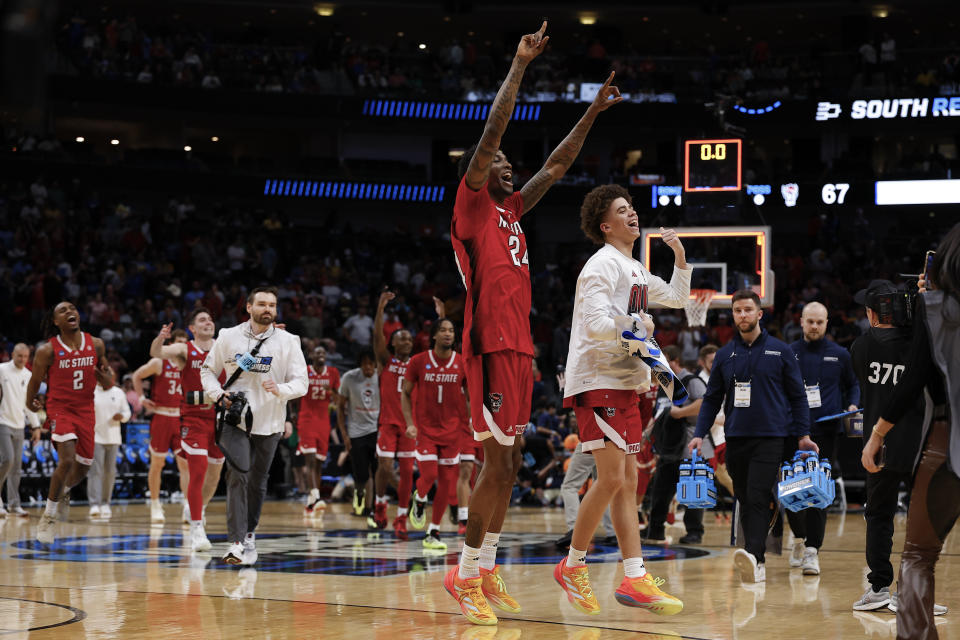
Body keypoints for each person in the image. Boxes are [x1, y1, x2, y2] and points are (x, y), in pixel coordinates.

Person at [446, 20, 623, 626]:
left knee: (514, 462)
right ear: (479, 167)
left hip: (519, 346)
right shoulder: (472, 204)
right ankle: (464, 573)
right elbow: (493, 133)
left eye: (508, 165)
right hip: (488, 344)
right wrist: (519, 65)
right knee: (495, 465)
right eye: (498, 162)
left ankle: (488, 566)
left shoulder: (514, 211)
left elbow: (556, 163)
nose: (508, 167)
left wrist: (593, 112)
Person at [555, 183, 688, 616]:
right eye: (621, 210)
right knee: (612, 480)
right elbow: (594, 324)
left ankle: (634, 578)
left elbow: (680, 298)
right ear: (605, 224)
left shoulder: (635, 268)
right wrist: (637, 326)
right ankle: (573, 565)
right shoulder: (601, 266)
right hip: (599, 380)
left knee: (627, 483)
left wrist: (680, 258)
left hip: (625, 382)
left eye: (632, 208)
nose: (632, 214)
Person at [863, 223, 960, 636]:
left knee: (918, 556)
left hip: (946, 437)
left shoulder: (934, 307)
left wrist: (877, 434)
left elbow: (915, 377)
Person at [689, 289, 819, 584]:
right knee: (745, 498)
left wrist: (803, 435)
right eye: (738, 311)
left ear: (760, 314)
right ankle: (755, 556)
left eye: (748, 310)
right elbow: (711, 399)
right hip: (735, 438)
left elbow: (798, 397)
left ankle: (755, 557)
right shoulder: (724, 355)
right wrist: (699, 434)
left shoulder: (781, 351)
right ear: (733, 315)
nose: (743, 315)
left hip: (772, 437)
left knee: (759, 494)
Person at [850, 280, 944, 616]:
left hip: (877, 448)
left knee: (878, 517)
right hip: (919, 444)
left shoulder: (860, 347)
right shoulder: (921, 346)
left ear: (874, 314)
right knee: (922, 520)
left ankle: (878, 588)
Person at [201, 286, 308, 566]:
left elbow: (302, 383)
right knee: (238, 475)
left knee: (258, 483)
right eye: (261, 304)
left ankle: (249, 534)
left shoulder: (289, 341)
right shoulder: (227, 336)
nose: (267, 309)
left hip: (270, 422)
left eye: (271, 305)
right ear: (248, 307)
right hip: (234, 420)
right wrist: (216, 394)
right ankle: (235, 544)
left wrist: (281, 389)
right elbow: (207, 370)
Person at [26, 301, 112, 544]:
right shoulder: (47, 351)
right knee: (66, 459)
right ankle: (48, 517)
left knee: (83, 467)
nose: (69, 312)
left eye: (72, 308)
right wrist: (29, 401)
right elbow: (34, 381)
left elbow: (108, 381)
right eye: (62, 311)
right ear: (56, 322)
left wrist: (106, 378)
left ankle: (62, 490)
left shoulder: (96, 344)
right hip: (60, 409)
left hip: (86, 409)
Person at [786, 301, 860, 575]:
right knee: (792, 491)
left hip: (827, 433)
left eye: (820, 322)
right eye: (810, 321)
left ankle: (812, 550)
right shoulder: (787, 353)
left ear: (826, 323)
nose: (815, 326)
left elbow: (854, 385)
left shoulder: (841, 354)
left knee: (818, 492)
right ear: (802, 321)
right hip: (792, 431)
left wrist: (852, 405)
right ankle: (798, 538)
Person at [149, 308, 223, 551]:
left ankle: (197, 509)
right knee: (198, 470)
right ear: (192, 328)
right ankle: (197, 527)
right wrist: (161, 337)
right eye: (202, 319)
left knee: (214, 476)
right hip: (193, 419)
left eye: (210, 319)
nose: (208, 322)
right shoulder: (185, 350)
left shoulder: (224, 348)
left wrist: (272, 342)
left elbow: (248, 364)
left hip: (220, 420)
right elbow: (156, 352)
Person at [402, 318, 468, 551]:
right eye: (443, 330)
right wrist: (410, 423)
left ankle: (433, 531)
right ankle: (419, 498)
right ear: (434, 335)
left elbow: (469, 395)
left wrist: (472, 421)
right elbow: (406, 393)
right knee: (428, 476)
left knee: (447, 482)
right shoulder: (419, 361)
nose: (448, 334)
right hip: (427, 430)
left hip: (452, 432)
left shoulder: (462, 363)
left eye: (451, 330)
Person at [645, 345, 707, 544]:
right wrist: (647, 433)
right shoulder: (665, 384)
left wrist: (680, 412)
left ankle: (695, 532)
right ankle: (655, 530)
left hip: (690, 445)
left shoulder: (691, 380)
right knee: (660, 491)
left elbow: (703, 403)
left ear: (674, 361)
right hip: (668, 447)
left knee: (692, 492)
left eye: (664, 361)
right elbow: (660, 413)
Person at [132, 328, 190, 523]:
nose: (182, 346)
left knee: (185, 464)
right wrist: (141, 397)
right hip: (162, 416)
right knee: (157, 464)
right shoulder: (160, 362)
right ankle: (155, 505)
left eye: (185, 342)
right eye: (178, 342)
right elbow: (137, 375)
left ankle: (188, 507)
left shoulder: (189, 363)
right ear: (170, 344)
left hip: (181, 418)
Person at [371, 290, 415, 535]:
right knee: (385, 467)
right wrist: (380, 309)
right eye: (402, 339)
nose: (407, 342)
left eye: (409, 339)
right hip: (388, 422)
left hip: (409, 424)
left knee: (407, 471)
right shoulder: (386, 360)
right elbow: (377, 336)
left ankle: (401, 516)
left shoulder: (418, 364)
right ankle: (379, 503)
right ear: (393, 343)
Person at [337, 349, 380, 521]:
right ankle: (360, 499)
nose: (368, 367)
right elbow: (340, 408)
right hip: (356, 432)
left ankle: (369, 508)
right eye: (365, 364)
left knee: (375, 472)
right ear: (360, 364)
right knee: (361, 474)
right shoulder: (349, 378)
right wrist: (345, 436)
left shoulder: (382, 377)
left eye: (371, 364)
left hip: (377, 430)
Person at [297, 345, 340, 516]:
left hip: (324, 421)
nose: (321, 354)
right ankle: (316, 496)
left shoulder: (333, 372)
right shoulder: (304, 371)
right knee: (311, 461)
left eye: (323, 352)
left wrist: (332, 393)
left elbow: (338, 398)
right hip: (306, 419)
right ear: (311, 355)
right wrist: (292, 415)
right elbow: (295, 395)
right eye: (317, 352)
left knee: (320, 462)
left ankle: (310, 503)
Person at [0, 343, 41, 518]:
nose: (23, 360)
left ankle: (14, 504)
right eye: (19, 356)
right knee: (7, 460)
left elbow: (29, 404)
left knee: (16, 467)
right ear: (12, 354)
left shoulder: (28, 375)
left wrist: (36, 426)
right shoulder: (1, 370)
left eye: (25, 357)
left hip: (19, 424)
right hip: (2, 422)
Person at [88, 367, 130, 519]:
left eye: (112, 375)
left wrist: (122, 417)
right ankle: (94, 504)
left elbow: (127, 412)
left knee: (110, 473)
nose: (110, 378)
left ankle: (106, 503)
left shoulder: (119, 393)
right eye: (108, 375)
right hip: (96, 437)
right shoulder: (92, 393)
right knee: (95, 472)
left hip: (113, 438)